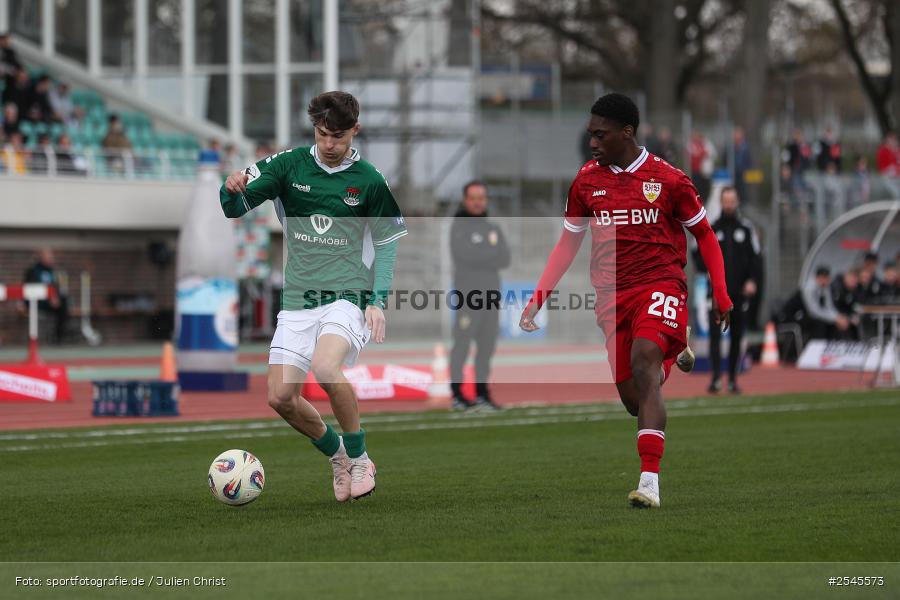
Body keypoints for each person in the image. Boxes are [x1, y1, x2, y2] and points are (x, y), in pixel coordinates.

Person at [519, 93, 733, 509]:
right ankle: (676, 349)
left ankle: (649, 482)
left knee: (644, 361)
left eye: (601, 135)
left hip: (660, 284)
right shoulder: (585, 181)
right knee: (635, 397)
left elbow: (705, 234)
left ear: (627, 132)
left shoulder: (669, 180)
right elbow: (568, 242)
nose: (593, 143)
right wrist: (538, 297)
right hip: (611, 296)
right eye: (590, 135)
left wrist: (721, 293)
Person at [220, 91, 407, 503]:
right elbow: (235, 206)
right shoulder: (288, 165)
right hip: (299, 300)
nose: (329, 145)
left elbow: (389, 241)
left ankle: (361, 458)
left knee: (325, 367)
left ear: (355, 131)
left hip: (348, 295)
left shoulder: (370, 180)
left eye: (338, 137)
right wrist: (232, 186)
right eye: (323, 135)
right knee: (279, 397)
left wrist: (377, 299)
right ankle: (338, 457)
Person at [449, 181, 510, 411]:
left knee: (486, 348)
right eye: (473, 198)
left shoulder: (493, 228)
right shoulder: (459, 226)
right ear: (465, 200)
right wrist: (488, 254)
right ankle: (457, 395)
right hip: (468, 297)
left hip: (491, 296)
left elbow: (505, 258)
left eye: (481, 197)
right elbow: (464, 255)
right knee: (462, 346)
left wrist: (481, 254)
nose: (477, 202)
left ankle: (482, 394)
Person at [697, 186, 762, 394]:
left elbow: (756, 258)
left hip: (738, 293)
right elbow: (698, 257)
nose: (729, 205)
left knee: (736, 336)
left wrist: (752, 280)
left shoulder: (747, 229)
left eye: (732, 201)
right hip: (715, 295)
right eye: (725, 201)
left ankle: (733, 379)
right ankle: (716, 378)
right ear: (721, 202)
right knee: (714, 337)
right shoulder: (711, 228)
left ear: (737, 201)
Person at [23, 248, 69, 343]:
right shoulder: (33, 271)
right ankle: (34, 341)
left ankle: (59, 337)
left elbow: (56, 287)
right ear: (41, 257)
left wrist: (56, 298)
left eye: (51, 257)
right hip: (36, 301)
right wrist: (49, 297)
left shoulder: (52, 271)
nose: (51, 259)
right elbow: (30, 289)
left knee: (63, 302)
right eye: (48, 257)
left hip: (50, 302)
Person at [802, 266, 847, 340]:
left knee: (838, 323)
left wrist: (838, 317)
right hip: (800, 314)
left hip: (815, 315)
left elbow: (829, 306)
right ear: (818, 277)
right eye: (824, 278)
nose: (827, 281)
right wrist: (834, 318)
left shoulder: (825, 287)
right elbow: (813, 311)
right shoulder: (809, 288)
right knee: (820, 324)